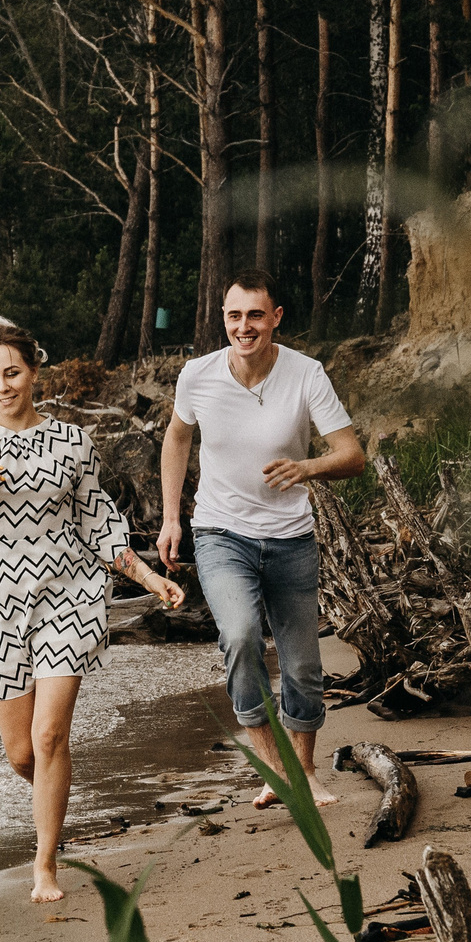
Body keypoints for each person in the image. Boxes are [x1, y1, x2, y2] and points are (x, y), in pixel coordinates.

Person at [0, 323, 186, 903]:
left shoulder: (72, 442)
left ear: (34, 371)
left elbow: (99, 523)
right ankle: (54, 803)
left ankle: (45, 864)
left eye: (12, 373)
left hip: (71, 595)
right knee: (24, 753)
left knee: (49, 734)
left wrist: (148, 576)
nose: (2, 386)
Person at [156, 270, 366, 807]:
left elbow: (352, 454)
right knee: (242, 636)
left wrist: (307, 468)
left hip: (291, 537)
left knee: (302, 665)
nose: (243, 327)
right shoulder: (197, 375)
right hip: (221, 532)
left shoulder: (306, 374)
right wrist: (172, 518)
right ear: (222, 318)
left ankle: (304, 771)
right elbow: (177, 438)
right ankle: (275, 771)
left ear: (275, 318)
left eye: (254, 315)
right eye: (233, 315)